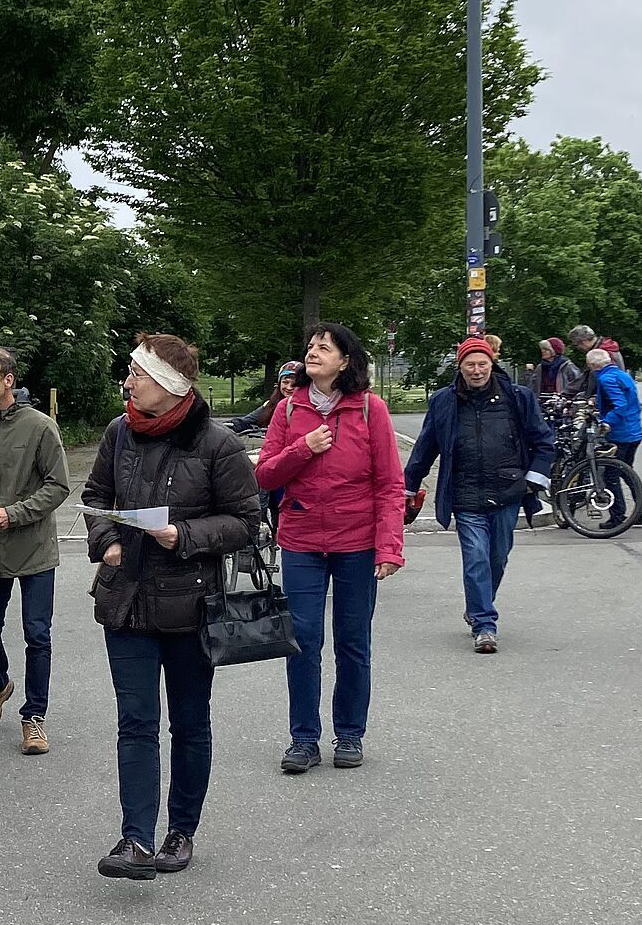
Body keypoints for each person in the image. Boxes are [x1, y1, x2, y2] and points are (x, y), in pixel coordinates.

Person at [84, 334, 264, 881]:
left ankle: (181, 830)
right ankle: (136, 840)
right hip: (127, 601)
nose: (128, 383)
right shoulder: (119, 432)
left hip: (191, 607)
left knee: (189, 723)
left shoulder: (218, 445)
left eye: (137, 373)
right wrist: (105, 540)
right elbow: (95, 497)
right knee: (136, 722)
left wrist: (183, 535)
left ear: (168, 384)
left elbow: (246, 522)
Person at [253, 323, 404, 773]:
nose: (313, 352)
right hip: (301, 540)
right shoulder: (288, 409)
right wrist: (304, 447)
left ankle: (350, 734)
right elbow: (266, 474)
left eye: (324, 347)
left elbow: (390, 484)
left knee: (353, 640)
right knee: (302, 639)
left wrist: (389, 547)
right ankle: (303, 739)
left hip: (356, 542)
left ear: (345, 361)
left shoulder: (370, 409)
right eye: (311, 346)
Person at [403, 336, 556, 653]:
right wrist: (407, 486)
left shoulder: (518, 397)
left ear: (492, 364)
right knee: (476, 558)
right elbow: (425, 448)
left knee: (497, 558)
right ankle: (485, 625)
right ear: (460, 367)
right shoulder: (444, 401)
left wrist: (533, 481)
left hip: (508, 491)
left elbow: (543, 442)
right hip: (465, 494)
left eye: (482, 364)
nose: (476, 370)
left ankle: (477, 604)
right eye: (470, 364)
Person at [0, 346, 72, 753]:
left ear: (9, 381)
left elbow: (59, 485)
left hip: (35, 549)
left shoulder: (40, 426)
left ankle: (34, 716)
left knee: (37, 635)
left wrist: (15, 513)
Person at [585, 347, 642, 524]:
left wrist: (607, 422)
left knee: (611, 475)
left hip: (620, 433)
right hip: (634, 431)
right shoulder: (622, 375)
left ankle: (617, 516)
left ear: (593, 365)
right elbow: (629, 401)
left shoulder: (606, 378)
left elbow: (620, 404)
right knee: (627, 471)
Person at [230, 362, 302, 435]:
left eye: (294, 384)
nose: (289, 388)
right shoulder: (271, 404)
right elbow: (246, 421)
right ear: (279, 383)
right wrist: (230, 425)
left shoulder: (306, 406)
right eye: (285, 382)